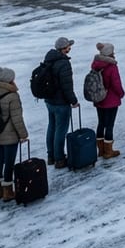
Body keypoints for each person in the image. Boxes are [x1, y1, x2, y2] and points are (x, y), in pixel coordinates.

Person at [0, 67, 27, 203]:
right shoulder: (12, 95)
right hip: (9, 135)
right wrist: (23, 134)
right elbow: (17, 118)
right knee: (9, 163)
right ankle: (8, 191)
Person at [41, 37, 79, 168]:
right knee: (60, 130)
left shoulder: (49, 60)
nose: (70, 48)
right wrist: (73, 101)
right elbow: (67, 86)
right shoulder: (63, 63)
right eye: (69, 46)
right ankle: (60, 159)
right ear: (64, 48)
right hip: (61, 103)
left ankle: (51, 156)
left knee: (51, 127)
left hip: (49, 100)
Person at [90, 43, 124, 159]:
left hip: (99, 98)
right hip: (111, 99)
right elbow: (116, 83)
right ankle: (108, 151)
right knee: (109, 125)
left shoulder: (96, 64)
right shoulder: (111, 66)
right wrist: (121, 94)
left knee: (101, 123)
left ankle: (100, 150)